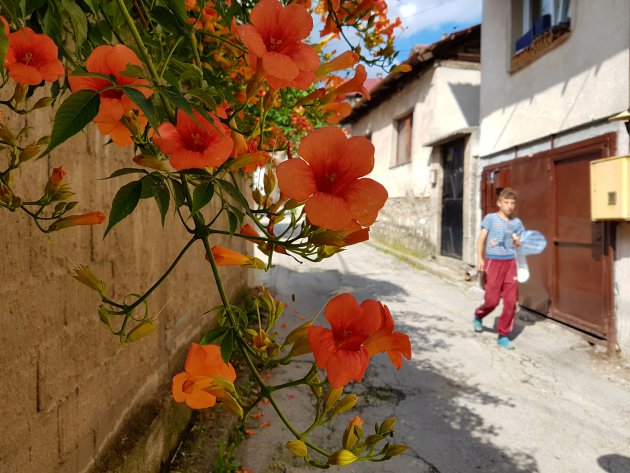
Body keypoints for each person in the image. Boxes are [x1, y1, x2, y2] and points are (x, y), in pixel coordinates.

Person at [473, 188, 525, 349]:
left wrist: (518, 242)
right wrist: (480, 258)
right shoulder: (490, 218)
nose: (510, 206)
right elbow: (481, 240)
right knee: (492, 301)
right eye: (506, 202)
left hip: (510, 263)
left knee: (511, 302)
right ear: (499, 203)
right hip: (493, 262)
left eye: (512, 203)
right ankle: (478, 315)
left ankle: (503, 335)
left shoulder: (517, 223)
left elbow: (520, 243)